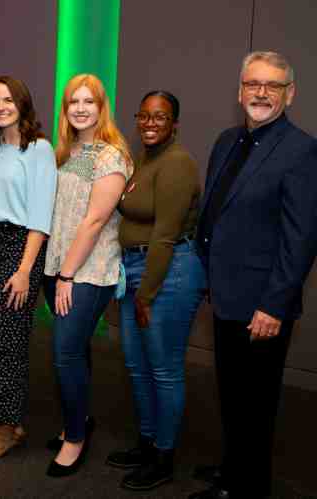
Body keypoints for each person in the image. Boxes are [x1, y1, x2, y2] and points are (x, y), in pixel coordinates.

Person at [190, 51, 317, 499]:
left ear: (290, 94)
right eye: (253, 83)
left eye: (273, 86)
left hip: (263, 305)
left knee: (256, 405)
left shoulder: (302, 150)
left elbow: (300, 239)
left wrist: (275, 304)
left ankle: (248, 488)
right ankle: (234, 469)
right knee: (232, 397)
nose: (261, 93)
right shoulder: (227, 140)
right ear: (240, 89)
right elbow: (215, 213)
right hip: (225, 294)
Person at [107, 90, 205, 491]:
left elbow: (165, 235)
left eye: (160, 117)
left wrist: (146, 294)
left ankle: (164, 456)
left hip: (168, 273)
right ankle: (147, 443)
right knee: (136, 363)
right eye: (144, 116)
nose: (150, 123)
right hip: (137, 272)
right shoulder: (145, 159)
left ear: (174, 123)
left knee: (164, 369)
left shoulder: (178, 163)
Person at [43, 74, 131, 477]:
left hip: (87, 272)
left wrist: (66, 276)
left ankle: (76, 437)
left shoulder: (110, 156)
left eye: (88, 102)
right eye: (72, 102)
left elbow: (95, 221)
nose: (79, 108)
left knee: (65, 353)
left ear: (101, 107)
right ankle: (78, 421)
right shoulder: (69, 151)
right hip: (59, 266)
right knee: (75, 350)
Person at [0, 76, 57, 463]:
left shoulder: (38, 149)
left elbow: (40, 215)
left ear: (22, 103)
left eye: (7, 99)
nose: (0, 106)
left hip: (21, 247)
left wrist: (24, 270)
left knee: (7, 343)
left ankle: (5, 429)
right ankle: (6, 421)